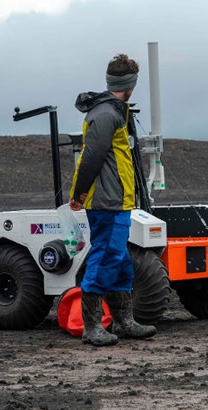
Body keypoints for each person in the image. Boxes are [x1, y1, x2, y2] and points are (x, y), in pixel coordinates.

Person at [69, 53, 156, 346]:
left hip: (117, 201)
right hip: (106, 201)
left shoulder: (114, 111)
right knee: (105, 256)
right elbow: (91, 157)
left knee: (120, 261)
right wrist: (79, 193)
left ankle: (123, 322)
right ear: (130, 84)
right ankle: (91, 327)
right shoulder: (106, 114)